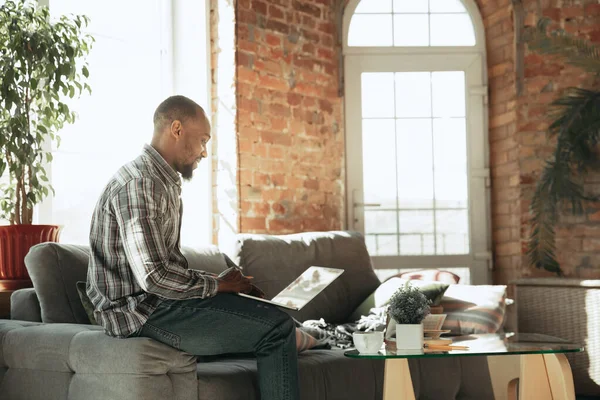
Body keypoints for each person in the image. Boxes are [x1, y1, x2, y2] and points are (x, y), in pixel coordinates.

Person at [86, 95, 300, 400]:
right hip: (140, 314)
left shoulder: (162, 182)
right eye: (202, 140)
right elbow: (154, 277)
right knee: (277, 329)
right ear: (176, 129)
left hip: (158, 305)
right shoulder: (139, 184)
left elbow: (165, 268)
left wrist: (226, 287)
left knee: (265, 313)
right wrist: (217, 285)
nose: (204, 151)